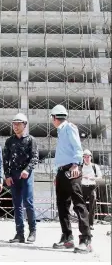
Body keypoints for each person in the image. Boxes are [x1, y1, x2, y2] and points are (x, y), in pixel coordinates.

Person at [51, 105, 92, 254]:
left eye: (52, 118)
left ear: (54, 118)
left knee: (78, 203)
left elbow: (77, 148)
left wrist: (76, 165)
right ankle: (67, 237)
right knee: (62, 205)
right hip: (62, 172)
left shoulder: (69, 128)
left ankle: (86, 240)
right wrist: (58, 173)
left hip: (72, 169)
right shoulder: (61, 131)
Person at [3, 113, 38, 244]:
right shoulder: (9, 141)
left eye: (19, 123)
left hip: (26, 175)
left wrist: (27, 170)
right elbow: (5, 159)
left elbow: (35, 158)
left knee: (28, 203)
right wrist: (7, 175)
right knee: (17, 205)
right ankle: (19, 234)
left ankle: (33, 231)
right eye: (14, 123)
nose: (16, 126)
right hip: (13, 175)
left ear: (25, 125)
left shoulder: (31, 140)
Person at [82, 149, 102, 230]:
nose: (86, 158)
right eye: (85, 157)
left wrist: (92, 178)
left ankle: (90, 224)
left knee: (92, 206)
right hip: (83, 187)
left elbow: (100, 177)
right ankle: (83, 223)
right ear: (83, 158)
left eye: (88, 157)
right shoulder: (80, 166)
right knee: (81, 206)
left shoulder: (95, 166)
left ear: (91, 157)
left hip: (92, 188)